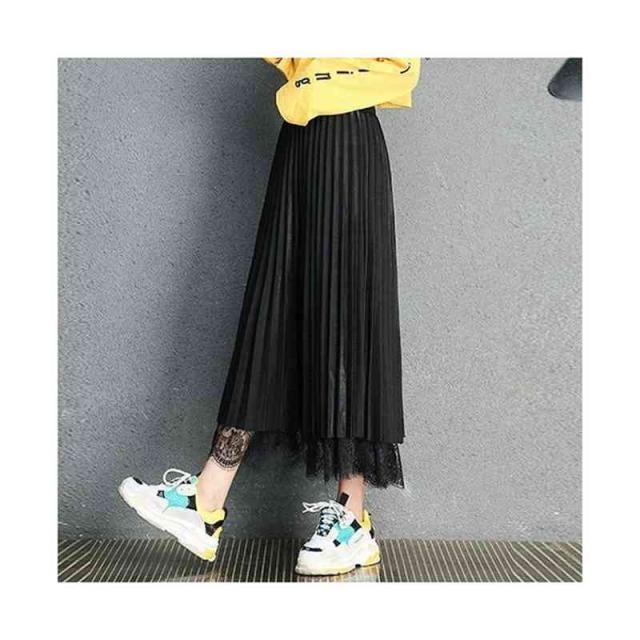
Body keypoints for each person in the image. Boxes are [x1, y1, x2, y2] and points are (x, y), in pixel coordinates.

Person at [119, 57, 421, 576]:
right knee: (271, 310)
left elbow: (401, 63)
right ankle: (207, 499)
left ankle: (353, 518)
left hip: (349, 139)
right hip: (300, 139)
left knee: (347, 318)